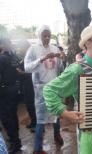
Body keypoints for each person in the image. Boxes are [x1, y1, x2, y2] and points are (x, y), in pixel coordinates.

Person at [43, 25, 92, 154]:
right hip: (90, 131)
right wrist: (64, 113)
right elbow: (49, 90)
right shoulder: (77, 69)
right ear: (87, 43)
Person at [24, 25, 64, 154]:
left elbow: (60, 68)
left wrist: (62, 58)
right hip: (41, 89)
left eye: (48, 35)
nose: (46, 38)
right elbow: (27, 68)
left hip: (54, 88)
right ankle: (37, 148)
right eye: (44, 35)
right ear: (39, 35)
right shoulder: (33, 49)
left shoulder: (55, 48)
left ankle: (57, 135)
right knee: (41, 120)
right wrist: (42, 58)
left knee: (57, 114)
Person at [0, 37, 22, 154]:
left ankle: (15, 142)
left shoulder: (1, 58)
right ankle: (16, 139)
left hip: (5, 92)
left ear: (2, 45)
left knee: (7, 118)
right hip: (14, 90)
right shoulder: (14, 57)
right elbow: (18, 70)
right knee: (13, 116)